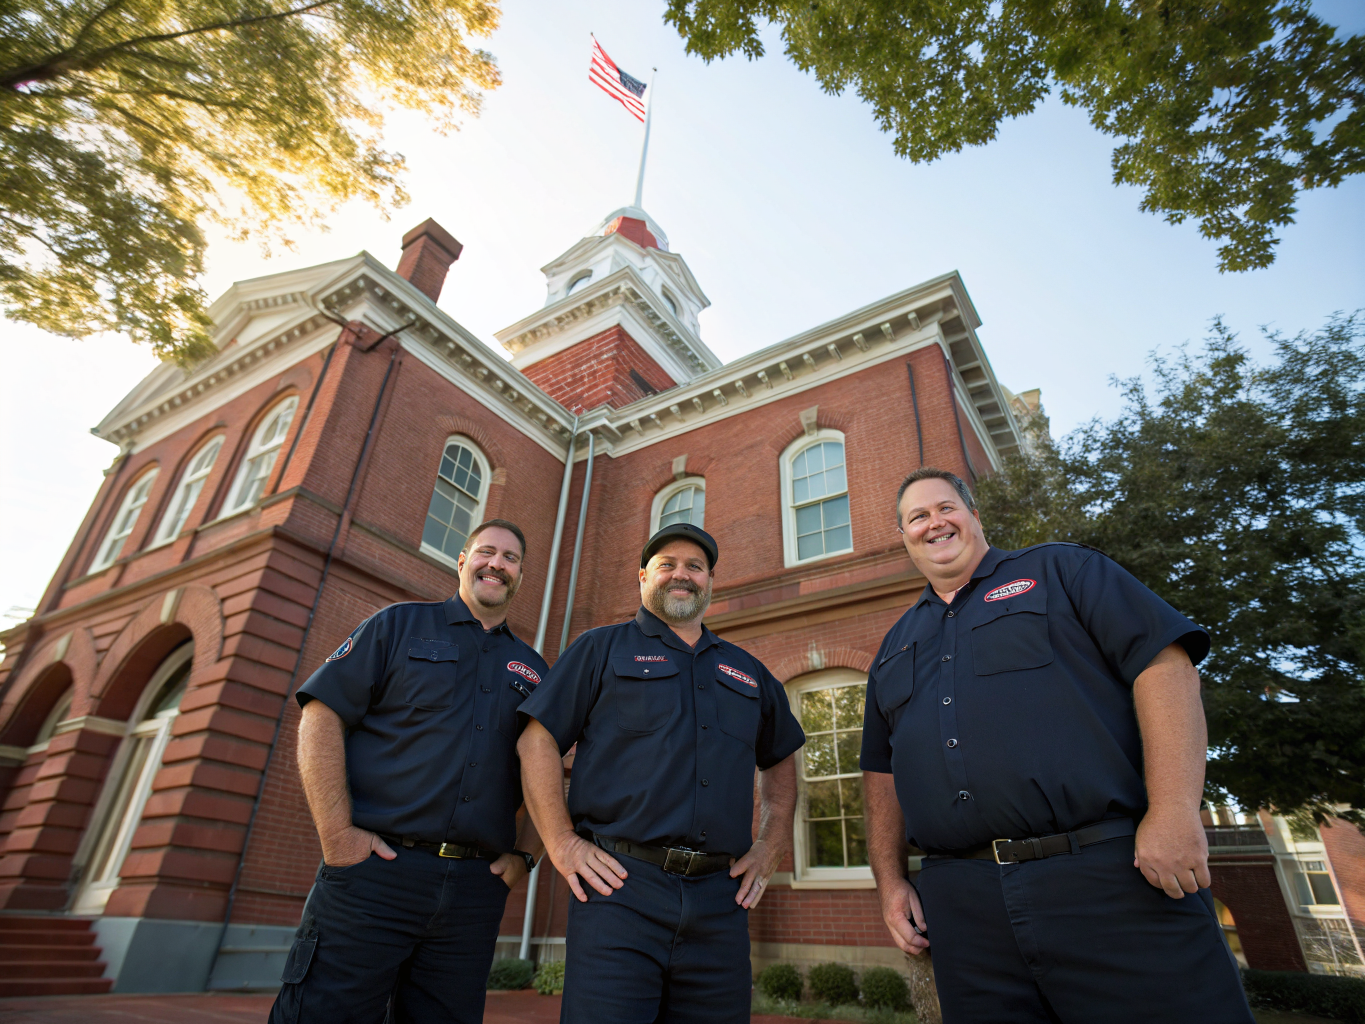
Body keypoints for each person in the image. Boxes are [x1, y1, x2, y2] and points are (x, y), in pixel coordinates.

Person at [861, 468, 1255, 1024]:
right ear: (903, 536)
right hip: (963, 908)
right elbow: (881, 772)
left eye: (945, 508)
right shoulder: (894, 645)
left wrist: (1173, 812)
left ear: (974, 515)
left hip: (1109, 879)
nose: (934, 523)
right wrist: (891, 880)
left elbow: (1164, 665)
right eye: (916, 516)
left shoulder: (1063, 570)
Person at [516, 522, 805, 1024]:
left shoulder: (747, 672)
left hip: (721, 901)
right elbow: (536, 740)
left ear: (710, 582)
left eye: (696, 566)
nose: (682, 574)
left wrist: (771, 844)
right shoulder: (600, 649)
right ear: (642, 577)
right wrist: (561, 844)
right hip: (619, 891)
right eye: (667, 564)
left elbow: (780, 759)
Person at [269, 519, 547, 1024]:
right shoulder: (397, 626)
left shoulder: (533, 670)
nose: (496, 565)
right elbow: (321, 714)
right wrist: (337, 835)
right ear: (462, 562)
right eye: (486, 552)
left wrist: (525, 857)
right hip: (376, 873)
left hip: (473, 892)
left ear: (521, 575)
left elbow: (547, 772)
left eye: (510, 559)